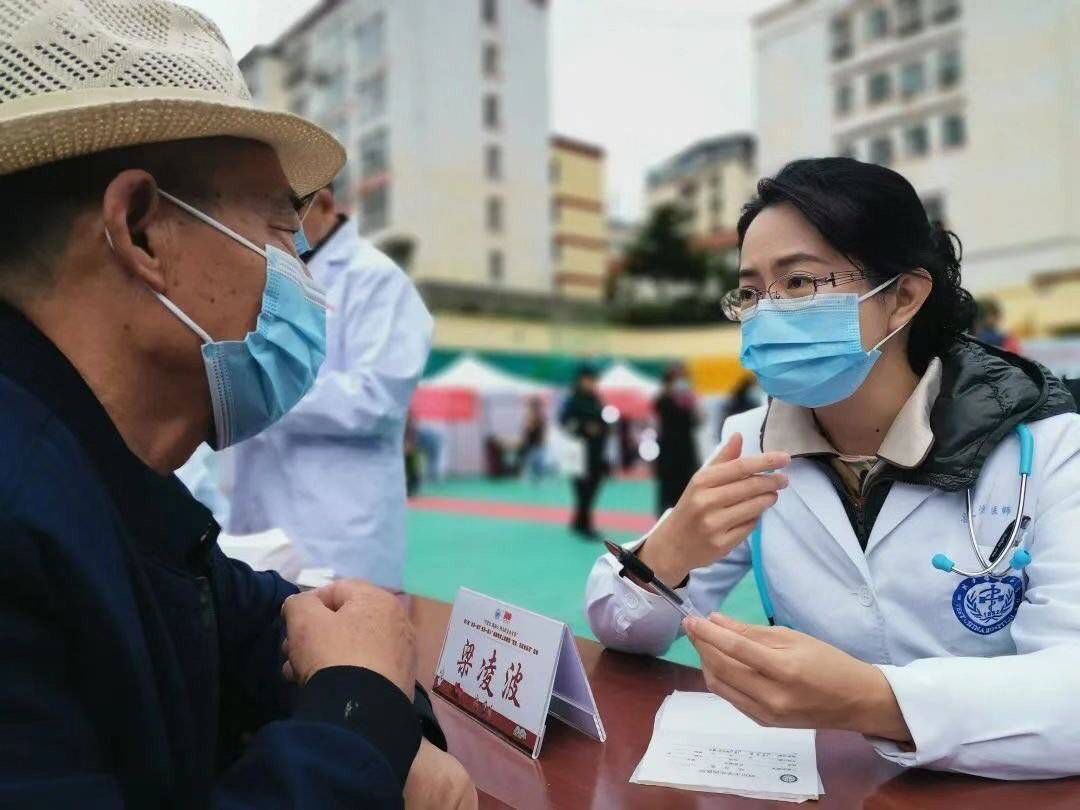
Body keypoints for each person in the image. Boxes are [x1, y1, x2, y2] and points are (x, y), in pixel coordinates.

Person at [0, 3, 474, 807]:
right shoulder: (20, 517)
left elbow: (253, 624)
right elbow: (344, 684)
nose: (302, 279)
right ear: (144, 230)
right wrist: (358, 715)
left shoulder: (105, 483)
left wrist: (378, 707)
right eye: (279, 224)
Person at [585, 158, 1080, 780]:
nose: (767, 313)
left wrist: (875, 702)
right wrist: (669, 550)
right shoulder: (753, 442)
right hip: (838, 788)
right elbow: (619, 625)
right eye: (751, 291)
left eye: (797, 284)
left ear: (903, 296)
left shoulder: (1045, 444)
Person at [226, 182, 433, 589]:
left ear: (323, 201)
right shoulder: (272, 277)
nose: (274, 226)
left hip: (341, 535)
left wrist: (261, 388)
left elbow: (376, 399)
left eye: (283, 211)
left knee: (339, 643)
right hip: (259, 524)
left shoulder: (378, 281)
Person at [560, 365, 610, 538]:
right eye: (587, 380)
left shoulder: (596, 400)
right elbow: (565, 422)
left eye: (592, 380)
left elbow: (604, 421)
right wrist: (584, 428)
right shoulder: (572, 400)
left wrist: (603, 428)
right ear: (580, 381)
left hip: (596, 451)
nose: (590, 383)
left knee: (593, 486)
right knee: (583, 488)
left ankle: (578, 521)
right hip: (578, 452)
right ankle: (585, 524)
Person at [653, 364, 701, 515]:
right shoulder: (663, 400)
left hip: (686, 452)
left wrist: (692, 406)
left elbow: (696, 421)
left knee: (686, 489)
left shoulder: (688, 400)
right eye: (676, 379)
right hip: (669, 453)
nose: (680, 383)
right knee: (667, 492)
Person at [519, 395, 549, 482]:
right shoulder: (529, 416)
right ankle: (530, 479)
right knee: (530, 464)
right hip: (530, 444)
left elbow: (541, 430)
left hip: (537, 444)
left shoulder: (540, 417)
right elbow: (527, 429)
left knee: (538, 465)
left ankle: (537, 479)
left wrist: (543, 440)